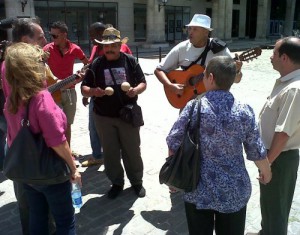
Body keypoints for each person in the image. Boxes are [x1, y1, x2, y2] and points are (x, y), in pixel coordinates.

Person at [166, 56, 272, 235]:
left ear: (211, 78)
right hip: (233, 191)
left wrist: (173, 177)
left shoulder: (193, 107)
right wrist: (267, 173)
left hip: (197, 188)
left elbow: (174, 142)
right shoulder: (244, 110)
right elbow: (256, 150)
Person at [4, 42, 82, 235]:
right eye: (40, 61)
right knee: (65, 223)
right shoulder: (41, 98)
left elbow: (12, 138)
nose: (43, 65)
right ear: (32, 66)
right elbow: (57, 141)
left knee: (37, 218)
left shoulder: (12, 98)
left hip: (27, 173)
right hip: (51, 174)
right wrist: (73, 168)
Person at [0, 18, 56, 235]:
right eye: (40, 36)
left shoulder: (7, 63)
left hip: (16, 142)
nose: (45, 40)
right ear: (26, 40)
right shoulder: (27, 64)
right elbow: (40, 107)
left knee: (26, 200)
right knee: (43, 198)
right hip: (35, 145)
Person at [81, 27, 147, 199]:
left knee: (132, 151)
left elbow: (143, 82)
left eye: (113, 46)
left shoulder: (131, 61)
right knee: (110, 153)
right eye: (106, 46)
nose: (109, 49)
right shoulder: (96, 63)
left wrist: (135, 90)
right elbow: (84, 88)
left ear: (119, 45)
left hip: (127, 115)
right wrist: (94, 91)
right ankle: (117, 183)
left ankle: (136, 182)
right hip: (103, 117)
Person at [250, 37, 300, 235]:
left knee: (277, 208)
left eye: (274, 53)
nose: (270, 57)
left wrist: (267, 164)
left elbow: (283, 133)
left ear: (285, 58)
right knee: (268, 202)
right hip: (273, 156)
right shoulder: (285, 82)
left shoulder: (294, 89)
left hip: (280, 157)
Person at [154, 14, 242, 101]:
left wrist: (237, 70)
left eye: (195, 29)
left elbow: (237, 80)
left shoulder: (219, 49)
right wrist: (170, 85)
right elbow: (159, 70)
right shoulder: (182, 48)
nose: (190, 32)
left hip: (213, 104)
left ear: (206, 32)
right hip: (187, 101)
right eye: (190, 28)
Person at [43, 21, 88, 154]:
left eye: (55, 36)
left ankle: (67, 150)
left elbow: (87, 63)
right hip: (53, 92)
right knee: (56, 124)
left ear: (64, 35)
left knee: (68, 123)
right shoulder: (47, 49)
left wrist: (82, 75)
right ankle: (57, 152)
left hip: (70, 91)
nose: (52, 38)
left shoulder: (75, 48)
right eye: (51, 35)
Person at [81, 22, 107, 167]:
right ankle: (97, 155)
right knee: (93, 126)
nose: (90, 38)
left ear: (101, 33)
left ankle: (113, 154)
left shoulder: (119, 49)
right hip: (95, 95)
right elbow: (90, 68)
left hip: (111, 96)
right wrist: (87, 93)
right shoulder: (96, 48)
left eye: (92, 35)